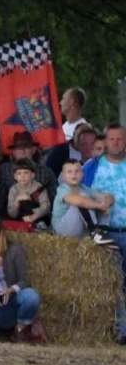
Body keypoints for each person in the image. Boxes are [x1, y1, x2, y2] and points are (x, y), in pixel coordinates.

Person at [82, 124, 126, 341]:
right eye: (112, 139)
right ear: (105, 141)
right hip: (106, 233)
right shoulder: (93, 166)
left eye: (120, 138)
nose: (116, 142)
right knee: (114, 284)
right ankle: (120, 332)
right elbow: (77, 191)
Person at [53, 158, 115, 241]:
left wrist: (105, 203)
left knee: (100, 198)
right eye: (69, 172)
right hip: (63, 230)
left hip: (81, 230)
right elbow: (78, 201)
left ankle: (102, 231)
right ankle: (95, 232)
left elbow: (111, 197)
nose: (73, 174)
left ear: (82, 174)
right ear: (63, 177)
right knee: (82, 199)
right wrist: (99, 205)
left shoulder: (85, 188)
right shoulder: (62, 189)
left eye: (77, 171)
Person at [5, 160, 50, 229]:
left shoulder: (38, 187)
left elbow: (46, 206)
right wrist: (17, 200)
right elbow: (12, 214)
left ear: (32, 175)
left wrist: (34, 216)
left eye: (26, 173)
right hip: (20, 218)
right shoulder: (13, 190)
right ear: (15, 176)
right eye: (19, 173)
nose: (22, 176)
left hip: (37, 217)